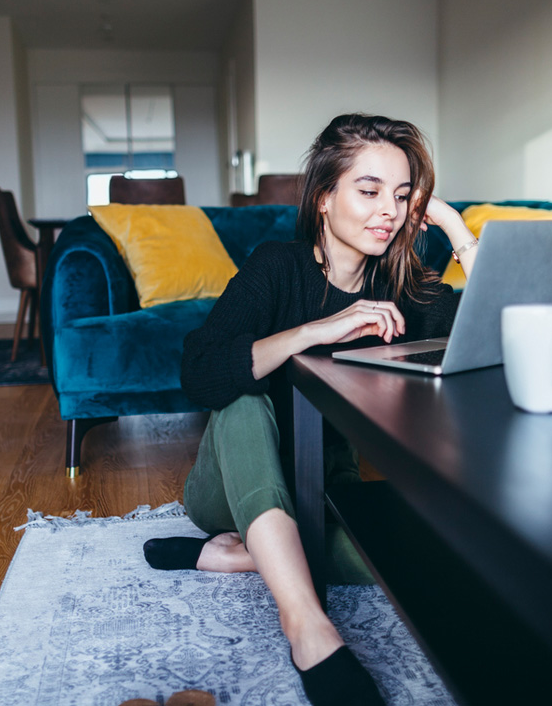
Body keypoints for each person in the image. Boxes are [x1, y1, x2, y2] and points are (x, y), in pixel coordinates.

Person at [143, 113, 479, 706]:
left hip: (325, 489)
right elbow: (198, 372)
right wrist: (314, 331)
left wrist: (452, 225)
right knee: (243, 396)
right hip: (229, 484)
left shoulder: (400, 285)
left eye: (401, 196)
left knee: (424, 557)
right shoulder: (276, 266)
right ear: (324, 198)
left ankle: (240, 559)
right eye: (369, 191)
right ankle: (309, 630)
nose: (389, 211)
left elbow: (489, 327)